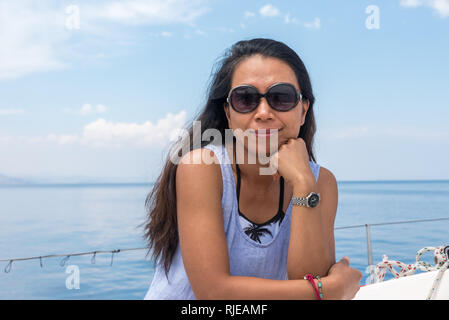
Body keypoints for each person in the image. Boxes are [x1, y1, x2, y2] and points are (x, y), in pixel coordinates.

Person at [143, 38, 362, 300]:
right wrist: (331, 289)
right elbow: (214, 293)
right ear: (228, 112)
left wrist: (303, 184)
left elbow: (309, 279)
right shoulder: (202, 167)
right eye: (246, 99)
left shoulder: (320, 182)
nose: (263, 112)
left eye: (281, 97)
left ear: (303, 111)